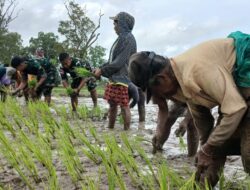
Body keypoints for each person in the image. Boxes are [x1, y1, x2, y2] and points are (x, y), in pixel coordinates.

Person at [128, 31, 250, 187]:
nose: (162, 99)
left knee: (248, 152)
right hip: (237, 96)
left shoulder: (197, 70)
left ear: (162, 79)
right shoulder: (183, 84)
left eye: (157, 94)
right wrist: (205, 151)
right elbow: (204, 123)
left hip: (243, 90)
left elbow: (235, 109)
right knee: (217, 148)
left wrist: (207, 150)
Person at [93, 12, 136, 130]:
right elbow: (112, 60)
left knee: (124, 105)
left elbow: (119, 62)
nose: (114, 26)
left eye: (115, 23)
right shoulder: (121, 38)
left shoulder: (128, 38)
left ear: (122, 24)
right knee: (112, 105)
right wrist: (100, 68)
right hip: (115, 77)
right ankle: (110, 129)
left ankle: (127, 132)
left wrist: (102, 70)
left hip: (122, 78)